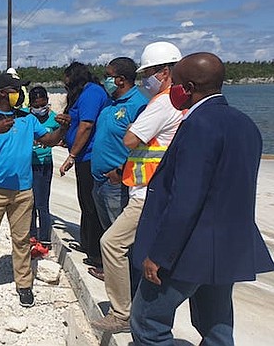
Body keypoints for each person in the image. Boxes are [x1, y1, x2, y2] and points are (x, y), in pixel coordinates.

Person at [130, 52, 274, 345]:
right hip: (227, 247)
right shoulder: (245, 124)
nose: (172, 90)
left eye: (176, 84)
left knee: (147, 323)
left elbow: (186, 200)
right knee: (217, 328)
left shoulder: (198, 126)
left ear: (189, 87)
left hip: (188, 248)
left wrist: (159, 255)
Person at [91, 42, 183, 333]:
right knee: (137, 250)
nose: (147, 79)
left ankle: (121, 313)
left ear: (164, 72)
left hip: (146, 193)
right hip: (142, 186)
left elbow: (131, 140)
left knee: (112, 243)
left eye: (150, 72)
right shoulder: (176, 102)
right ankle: (139, 307)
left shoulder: (163, 103)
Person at [0, 71, 69, 307]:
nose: (20, 94)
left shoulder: (27, 118)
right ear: (4, 93)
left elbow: (49, 140)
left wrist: (62, 130)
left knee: (22, 241)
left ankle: (24, 285)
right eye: (16, 90)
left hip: (23, 191)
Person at [57, 62, 110, 269]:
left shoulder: (91, 93)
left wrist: (72, 155)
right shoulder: (87, 93)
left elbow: (87, 126)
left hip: (89, 157)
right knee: (86, 204)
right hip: (83, 156)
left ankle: (96, 254)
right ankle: (88, 244)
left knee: (92, 205)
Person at [91, 57, 148, 231]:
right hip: (99, 181)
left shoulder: (139, 106)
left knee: (120, 240)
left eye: (108, 75)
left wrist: (118, 172)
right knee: (107, 236)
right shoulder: (110, 103)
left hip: (117, 184)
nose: (104, 80)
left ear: (121, 80)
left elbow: (143, 147)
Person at [26, 86, 61, 245]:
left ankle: (45, 239)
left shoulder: (54, 119)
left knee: (42, 203)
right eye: (36, 105)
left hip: (44, 165)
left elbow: (61, 138)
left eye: (42, 105)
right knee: (29, 203)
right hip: (27, 165)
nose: (40, 109)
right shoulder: (26, 118)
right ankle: (32, 235)